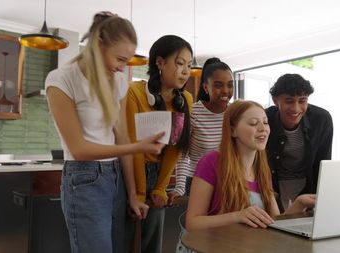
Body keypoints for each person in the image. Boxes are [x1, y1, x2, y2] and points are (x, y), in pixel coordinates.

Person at [45, 12, 165, 253]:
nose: (122, 67)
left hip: (116, 177)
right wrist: (138, 147)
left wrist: (132, 194)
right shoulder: (61, 80)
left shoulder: (118, 82)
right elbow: (79, 149)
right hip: (83, 179)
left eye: (127, 61)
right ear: (98, 43)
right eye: (120, 59)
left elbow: (121, 135)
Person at [185, 100, 315, 231]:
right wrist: (238, 217)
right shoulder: (212, 161)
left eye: (265, 122)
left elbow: (274, 222)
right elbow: (192, 223)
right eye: (253, 123)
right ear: (232, 130)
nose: (263, 129)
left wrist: (300, 203)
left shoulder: (262, 170)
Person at [125, 35, 194, 253]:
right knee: (125, 241)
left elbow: (175, 147)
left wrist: (161, 188)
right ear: (160, 62)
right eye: (180, 63)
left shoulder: (186, 100)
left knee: (152, 245)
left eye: (189, 65)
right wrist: (138, 192)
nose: (186, 71)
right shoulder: (134, 93)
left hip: (159, 174)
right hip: (130, 174)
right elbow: (133, 146)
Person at [167, 57, 234, 203]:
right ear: (205, 87)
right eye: (218, 85)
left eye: (230, 85)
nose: (225, 91)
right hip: (199, 181)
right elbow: (182, 153)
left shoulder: (235, 113)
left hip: (229, 181)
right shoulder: (192, 111)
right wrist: (179, 188)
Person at [265, 73, 333, 212]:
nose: (296, 108)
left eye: (302, 101)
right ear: (275, 100)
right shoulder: (265, 119)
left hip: (306, 183)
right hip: (273, 185)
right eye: (289, 101)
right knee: (277, 226)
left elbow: (323, 162)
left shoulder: (321, 119)